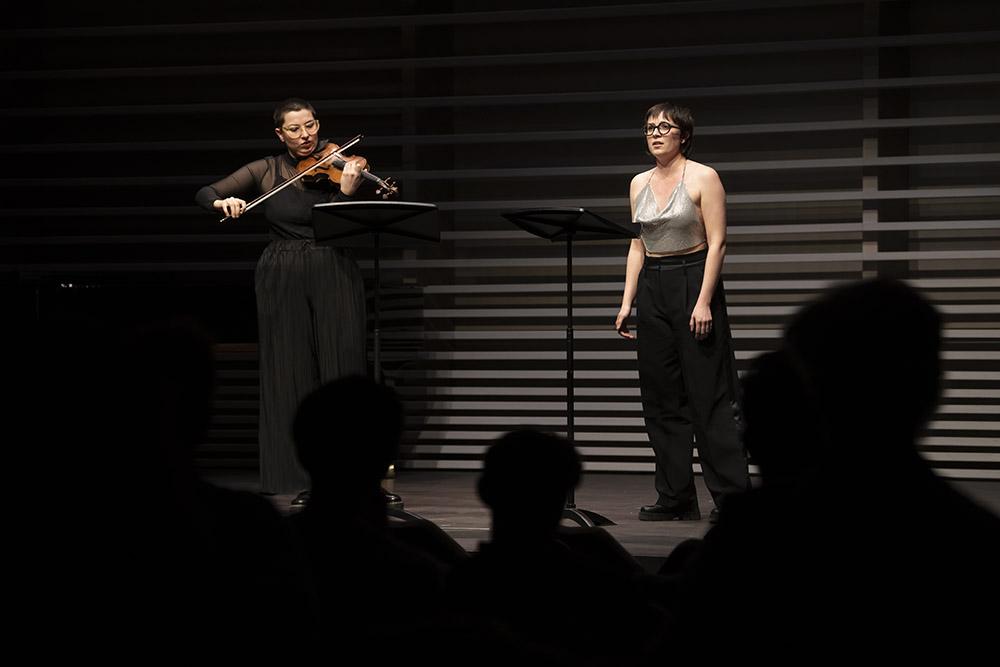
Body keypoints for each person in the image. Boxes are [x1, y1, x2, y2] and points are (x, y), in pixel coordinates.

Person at [196, 98, 374, 503]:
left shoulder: (341, 165)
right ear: (280, 133)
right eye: (295, 129)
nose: (306, 135)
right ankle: (292, 474)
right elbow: (206, 192)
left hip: (332, 263)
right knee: (286, 370)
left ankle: (348, 474)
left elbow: (341, 228)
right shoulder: (265, 170)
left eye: (310, 125)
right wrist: (221, 202)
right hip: (281, 270)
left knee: (342, 369)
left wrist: (346, 192)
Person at [616, 102, 750, 522]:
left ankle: (732, 497)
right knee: (661, 398)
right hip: (654, 284)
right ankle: (675, 496)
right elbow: (638, 244)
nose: (655, 134)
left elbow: (718, 242)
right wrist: (627, 301)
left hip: (694, 278)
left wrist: (704, 300)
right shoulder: (638, 183)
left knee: (709, 396)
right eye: (649, 128)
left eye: (664, 127)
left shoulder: (704, 176)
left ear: (684, 135)